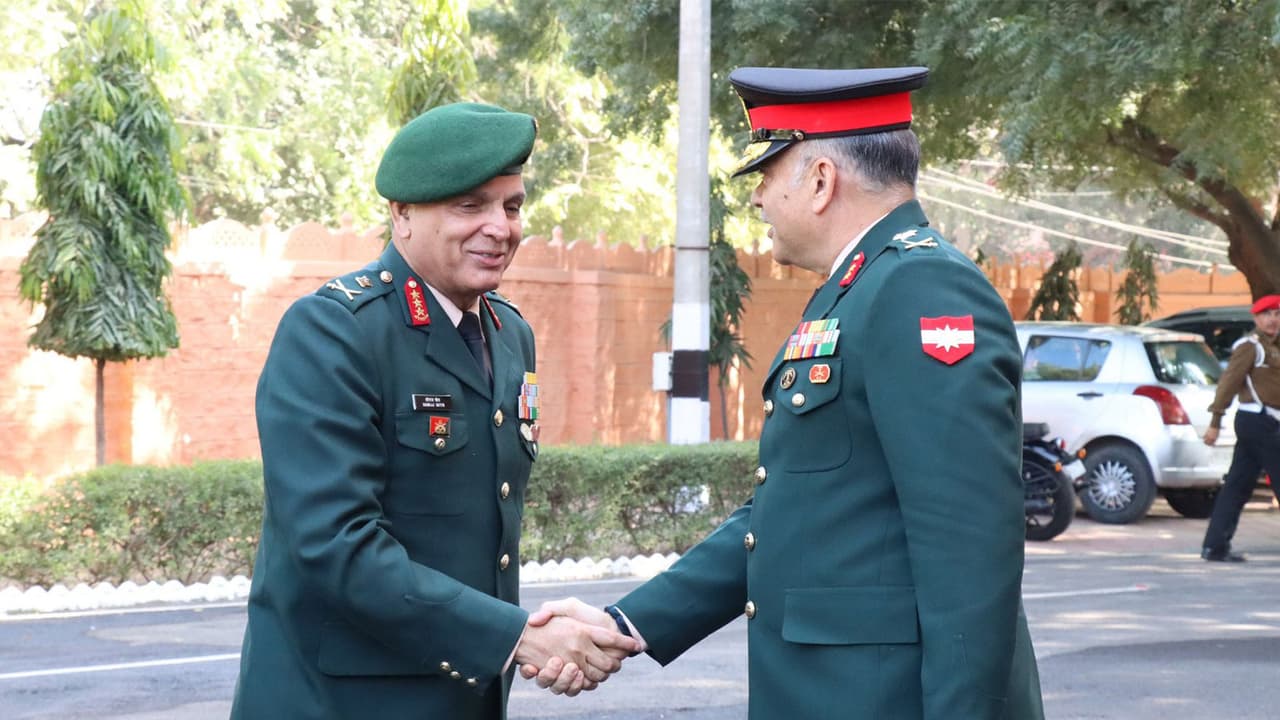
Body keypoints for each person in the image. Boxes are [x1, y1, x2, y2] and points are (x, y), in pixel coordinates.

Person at [526, 66, 1044, 719]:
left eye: (768, 173)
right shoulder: (857, 289)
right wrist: (628, 622)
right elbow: (788, 509)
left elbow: (968, 540)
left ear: (823, 180)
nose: (758, 198)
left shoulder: (918, 288)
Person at [230, 102, 637, 720]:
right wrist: (518, 636)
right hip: (341, 702)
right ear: (403, 214)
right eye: (470, 206)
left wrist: (512, 640)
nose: (500, 227)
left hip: (464, 696)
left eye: (512, 205)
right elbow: (337, 545)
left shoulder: (509, 335)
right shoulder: (334, 331)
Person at [1200, 294, 1280, 562]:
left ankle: (1215, 546)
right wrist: (1215, 422)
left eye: (1277, 314)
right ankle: (1215, 545)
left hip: (1263, 422)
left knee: (1237, 485)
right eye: (1267, 314)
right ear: (1256, 318)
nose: (1273, 319)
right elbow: (1229, 384)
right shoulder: (1250, 346)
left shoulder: (1275, 347)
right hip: (1259, 421)